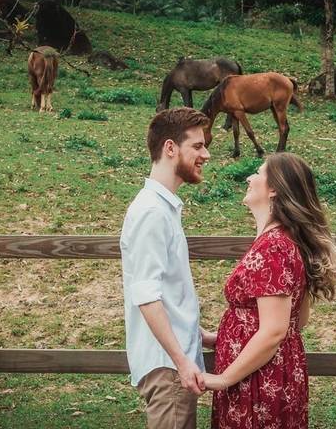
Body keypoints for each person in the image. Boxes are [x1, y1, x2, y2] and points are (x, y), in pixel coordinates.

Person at [203, 152, 336, 428]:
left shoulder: (274, 247)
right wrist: (219, 338)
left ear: (273, 189)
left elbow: (274, 331)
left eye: (258, 173)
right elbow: (297, 320)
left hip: (257, 379)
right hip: (270, 371)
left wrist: (223, 379)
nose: (249, 178)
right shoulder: (284, 240)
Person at [120, 107, 217, 429]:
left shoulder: (163, 208)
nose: (206, 154)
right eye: (197, 146)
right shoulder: (152, 212)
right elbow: (146, 295)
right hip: (169, 367)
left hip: (173, 362)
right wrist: (181, 361)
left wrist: (200, 336)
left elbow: (165, 291)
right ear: (170, 148)